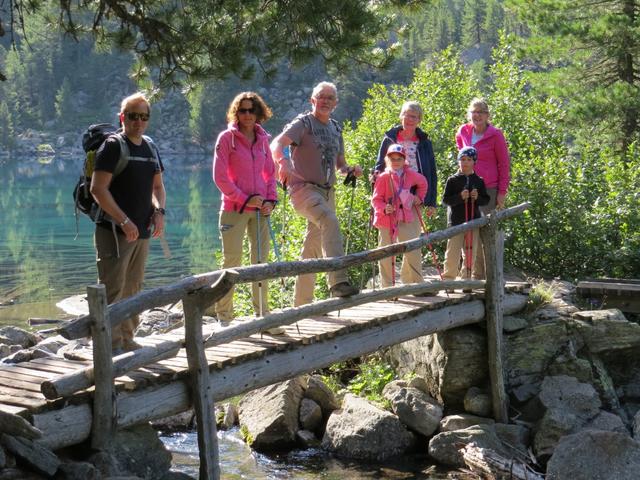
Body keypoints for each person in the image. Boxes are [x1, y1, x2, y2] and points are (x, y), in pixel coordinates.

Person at [270, 81, 362, 306]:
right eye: (321, 97)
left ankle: (302, 304)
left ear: (335, 103)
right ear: (312, 100)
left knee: (311, 252)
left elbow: (340, 163)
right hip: (304, 190)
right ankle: (338, 281)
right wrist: (283, 162)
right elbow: (276, 143)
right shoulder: (303, 124)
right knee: (330, 220)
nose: (325, 101)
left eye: (330, 97)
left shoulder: (335, 128)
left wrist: (349, 170)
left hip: (328, 192)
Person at [90, 92, 166, 354]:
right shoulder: (112, 146)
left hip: (142, 230)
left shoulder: (150, 147)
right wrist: (123, 220)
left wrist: (159, 211)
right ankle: (108, 348)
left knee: (133, 287)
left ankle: (128, 339)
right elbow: (98, 189)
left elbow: (157, 187)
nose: (139, 122)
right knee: (113, 289)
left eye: (144, 117)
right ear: (122, 117)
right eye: (133, 116)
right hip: (113, 230)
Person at [212, 92, 282, 334]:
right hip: (234, 210)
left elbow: (269, 175)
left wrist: (271, 200)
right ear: (236, 113)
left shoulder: (263, 139)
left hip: (261, 210)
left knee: (260, 262)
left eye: (252, 110)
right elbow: (220, 178)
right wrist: (244, 199)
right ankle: (224, 319)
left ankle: (263, 316)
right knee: (232, 262)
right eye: (242, 110)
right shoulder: (226, 139)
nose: (247, 115)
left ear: (259, 112)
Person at [455, 98, 510, 279]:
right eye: (474, 112)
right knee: (469, 232)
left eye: (481, 112)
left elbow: (504, 164)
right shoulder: (463, 131)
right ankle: (471, 275)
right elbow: (461, 152)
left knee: (487, 233)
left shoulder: (496, 135)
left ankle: (488, 277)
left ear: (487, 115)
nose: (477, 115)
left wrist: (502, 193)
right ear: (469, 114)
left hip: (489, 190)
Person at [372, 144, 428, 288]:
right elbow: (376, 200)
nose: (396, 161)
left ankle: (415, 284)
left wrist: (419, 197)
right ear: (387, 159)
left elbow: (423, 183)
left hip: (404, 216)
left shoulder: (410, 174)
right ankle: (387, 287)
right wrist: (385, 207)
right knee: (386, 251)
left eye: (399, 158)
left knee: (412, 249)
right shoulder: (383, 177)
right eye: (393, 158)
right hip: (386, 219)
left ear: (404, 160)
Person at [375, 101, 438, 217]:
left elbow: (432, 173)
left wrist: (431, 202)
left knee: (411, 232)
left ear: (419, 120)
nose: (409, 119)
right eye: (406, 115)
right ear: (401, 117)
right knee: (388, 231)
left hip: (415, 195)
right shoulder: (389, 139)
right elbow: (379, 167)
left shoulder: (425, 143)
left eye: (413, 116)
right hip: (390, 194)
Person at [442, 147, 490, 282]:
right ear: (458, 161)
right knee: (452, 251)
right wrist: (459, 197)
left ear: (474, 162)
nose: (465, 163)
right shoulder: (452, 180)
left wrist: (477, 197)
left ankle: (466, 280)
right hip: (456, 221)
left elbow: (485, 200)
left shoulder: (479, 180)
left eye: (469, 160)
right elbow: (446, 200)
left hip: (473, 220)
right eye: (462, 159)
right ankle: (448, 280)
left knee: (470, 251)